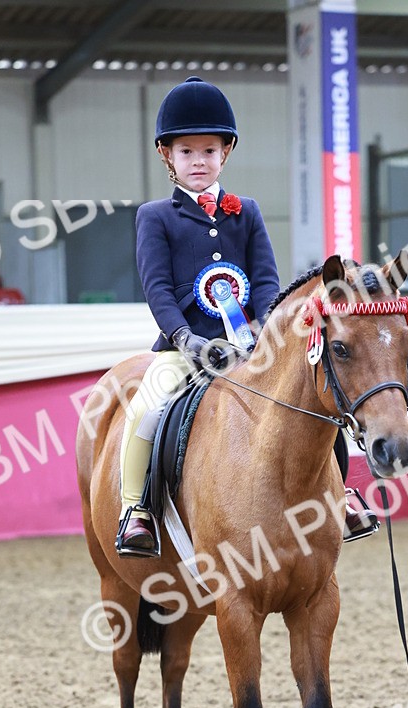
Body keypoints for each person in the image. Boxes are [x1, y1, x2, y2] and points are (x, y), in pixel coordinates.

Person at [117, 74, 377, 556]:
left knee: (318, 401)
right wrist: (185, 339)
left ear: (226, 154)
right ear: (167, 156)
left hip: (252, 345)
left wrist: (262, 334)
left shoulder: (247, 211)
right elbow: (157, 290)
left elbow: (265, 283)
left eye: (209, 151)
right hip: (187, 347)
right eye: (188, 152)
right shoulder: (155, 217)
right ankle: (138, 510)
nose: (199, 161)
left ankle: (340, 497)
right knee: (147, 406)